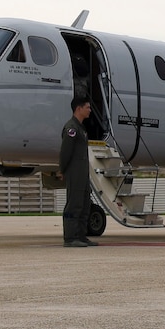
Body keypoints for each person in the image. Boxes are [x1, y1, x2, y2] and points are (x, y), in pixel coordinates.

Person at [59, 97, 97, 248]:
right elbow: (65, 152)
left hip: (83, 173)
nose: (90, 110)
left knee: (84, 204)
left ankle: (81, 235)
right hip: (74, 173)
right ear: (78, 108)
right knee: (73, 205)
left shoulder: (81, 128)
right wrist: (62, 170)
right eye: (87, 107)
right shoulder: (71, 128)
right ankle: (70, 237)